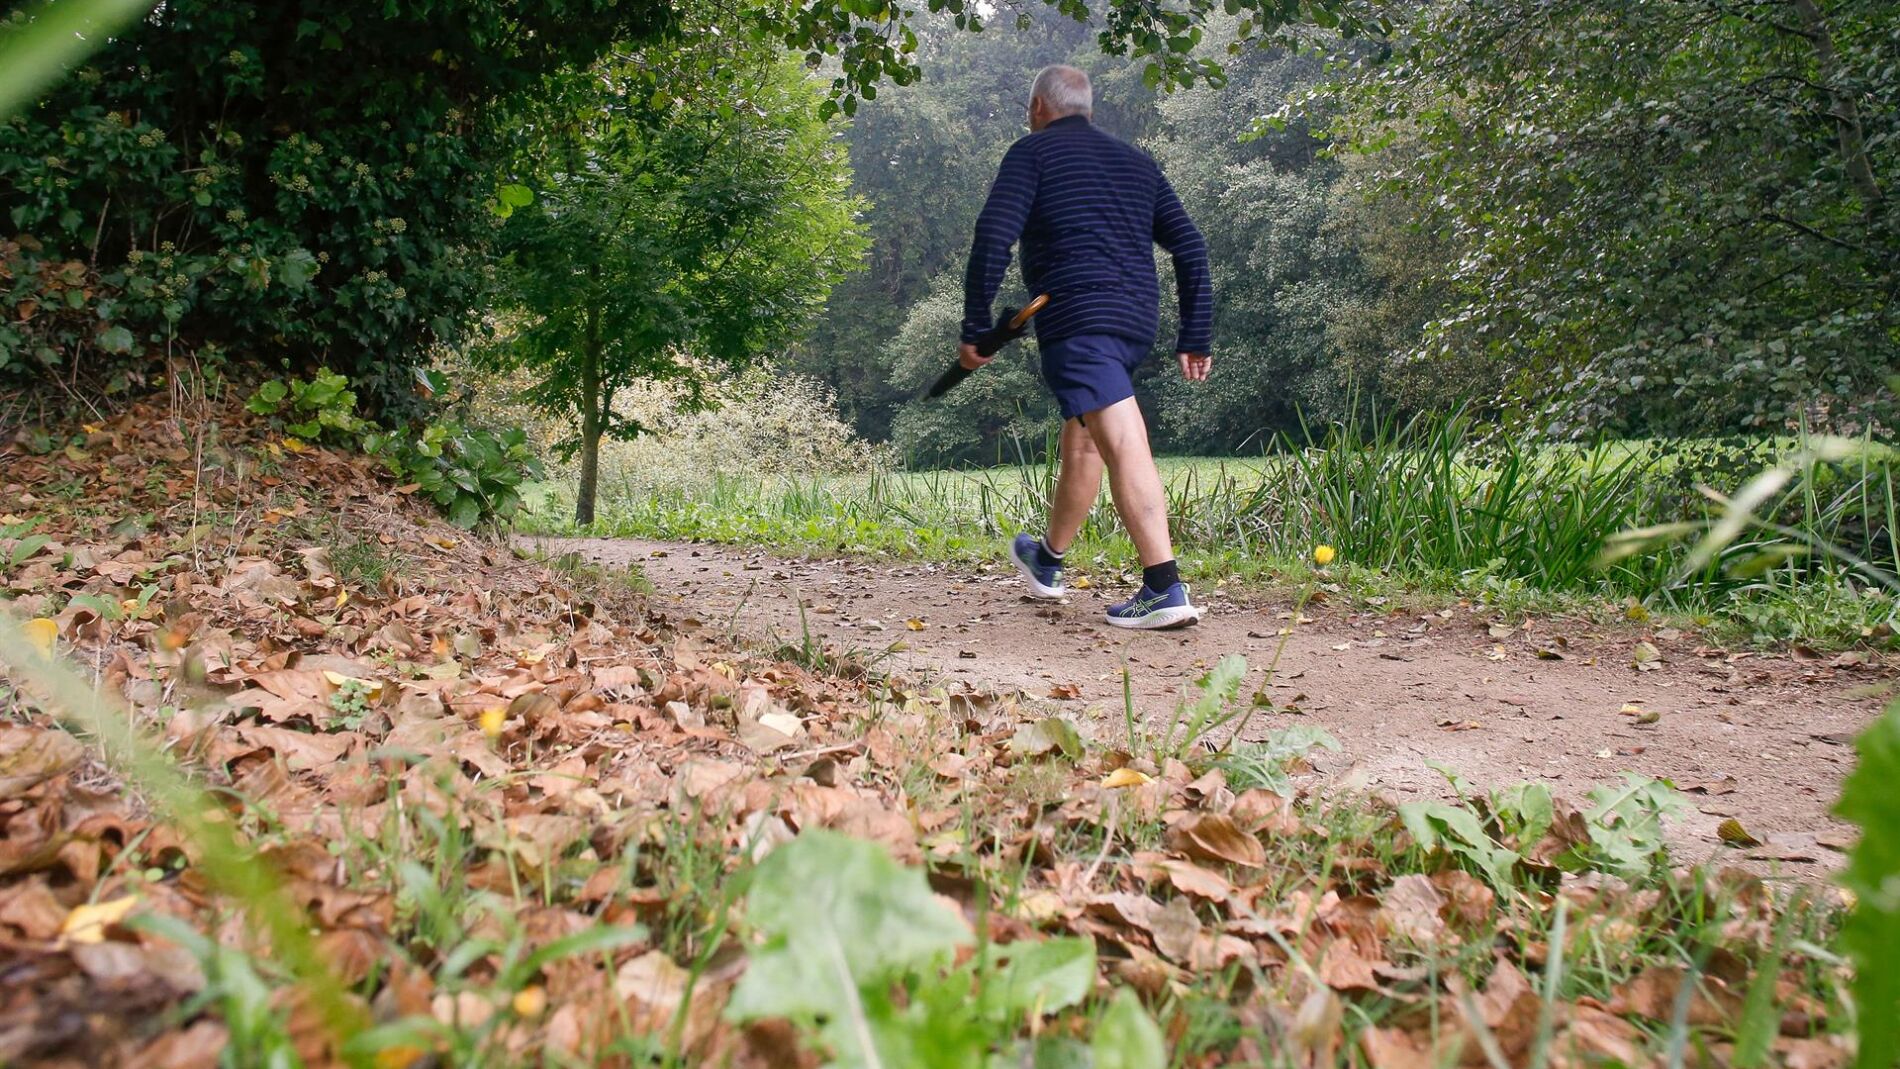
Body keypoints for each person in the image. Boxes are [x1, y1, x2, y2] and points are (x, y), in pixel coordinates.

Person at [960, 64, 1214, 629]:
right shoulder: (1136, 162)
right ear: (1088, 108)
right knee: (1085, 438)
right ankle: (1047, 560)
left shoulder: (1032, 153)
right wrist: (1194, 332)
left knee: (1120, 437)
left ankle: (1164, 586)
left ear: (1038, 109)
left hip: (1078, 319)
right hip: (1134, 322)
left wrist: (976, 325)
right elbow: (1190, 246)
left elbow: (994, 236)